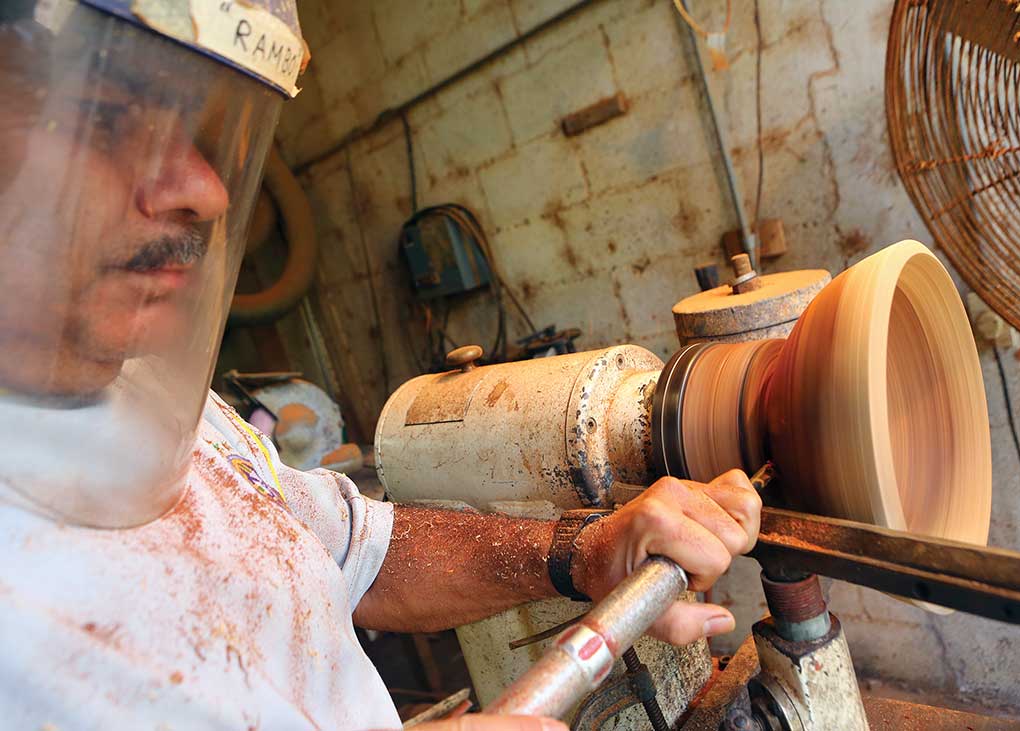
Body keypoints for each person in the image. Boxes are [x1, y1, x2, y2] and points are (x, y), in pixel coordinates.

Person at [0, 2, 761, 729]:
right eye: (102, 117)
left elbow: (361, 550)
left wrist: (582, 549)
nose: (204, 189)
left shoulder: (186, 420)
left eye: (194, 131)